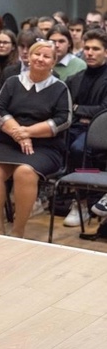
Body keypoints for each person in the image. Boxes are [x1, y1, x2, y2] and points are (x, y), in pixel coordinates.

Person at [0, 40, 72, 238]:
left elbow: (63, 120)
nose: (40, 59)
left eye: (46, 56)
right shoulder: (13, 82)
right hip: (9, 140)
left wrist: (28, 133)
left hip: (45, 146)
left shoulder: (60, 88)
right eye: (36, 54)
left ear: (53, 62)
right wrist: (18, 133)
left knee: (24, 172)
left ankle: (18, 231)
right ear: (29, 57)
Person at [63, 28, 107, 226]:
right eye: (87, 48)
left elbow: (104, 110)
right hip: (74, 127)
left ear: (105, 52)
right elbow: (65, 107)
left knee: (78, 148)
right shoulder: (76, 78)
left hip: (100, 131)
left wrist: (79, 108)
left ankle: (82, 201)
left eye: (96, 49)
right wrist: (83, 113)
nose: (89, 52)